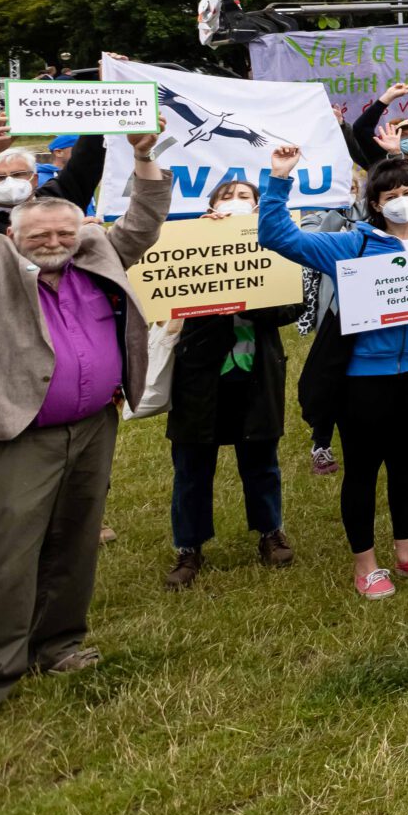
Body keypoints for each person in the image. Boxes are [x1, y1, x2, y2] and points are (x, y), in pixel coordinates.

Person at [0, 118, 168, 748]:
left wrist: (144, 159)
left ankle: (59, 645)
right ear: (13, 234)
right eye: (40, 233)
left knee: (75, 544)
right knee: (1, 561)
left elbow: (143, 224)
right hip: (18, 434)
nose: (54, 240)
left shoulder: (95, 252)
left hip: (92, 428)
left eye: (65, 230)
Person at [257, 147, 408, 599]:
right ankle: (366, 565)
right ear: (375, 204)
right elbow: (277, 236)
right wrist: (277, 181)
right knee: (361, 468)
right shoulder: (352, 244)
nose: (401, 200)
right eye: (390, 194)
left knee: (406, 463)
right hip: (363, 377)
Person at [161, 178, 299, 590]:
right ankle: (189, 546)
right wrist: (201, 246)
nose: (235, 203)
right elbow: (166, 298)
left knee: (261, 461)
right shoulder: (186, 244)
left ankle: (269, 531)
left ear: (257, 210)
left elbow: (292, 307)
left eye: (245, 198)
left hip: (255, 375)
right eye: (227, 197)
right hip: (199, 377)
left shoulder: (276, 249)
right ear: (211, 205)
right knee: (191, 466)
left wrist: (250, 281)